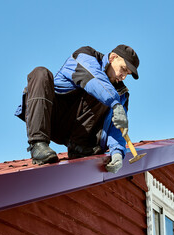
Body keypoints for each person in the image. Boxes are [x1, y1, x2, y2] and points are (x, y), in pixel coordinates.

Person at [15, 44, 139, 173]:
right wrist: (114, 102)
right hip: (50, 117)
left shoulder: (119, 93)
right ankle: (38, 145)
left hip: (79, 134)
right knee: (40, 73)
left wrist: (118, 153)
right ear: (113, 57)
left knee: (107, 94)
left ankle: (78, 147)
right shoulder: (85, 56)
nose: (123, 76)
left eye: (127, 74)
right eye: (123, 69)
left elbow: (116, 127)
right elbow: (94, 78)